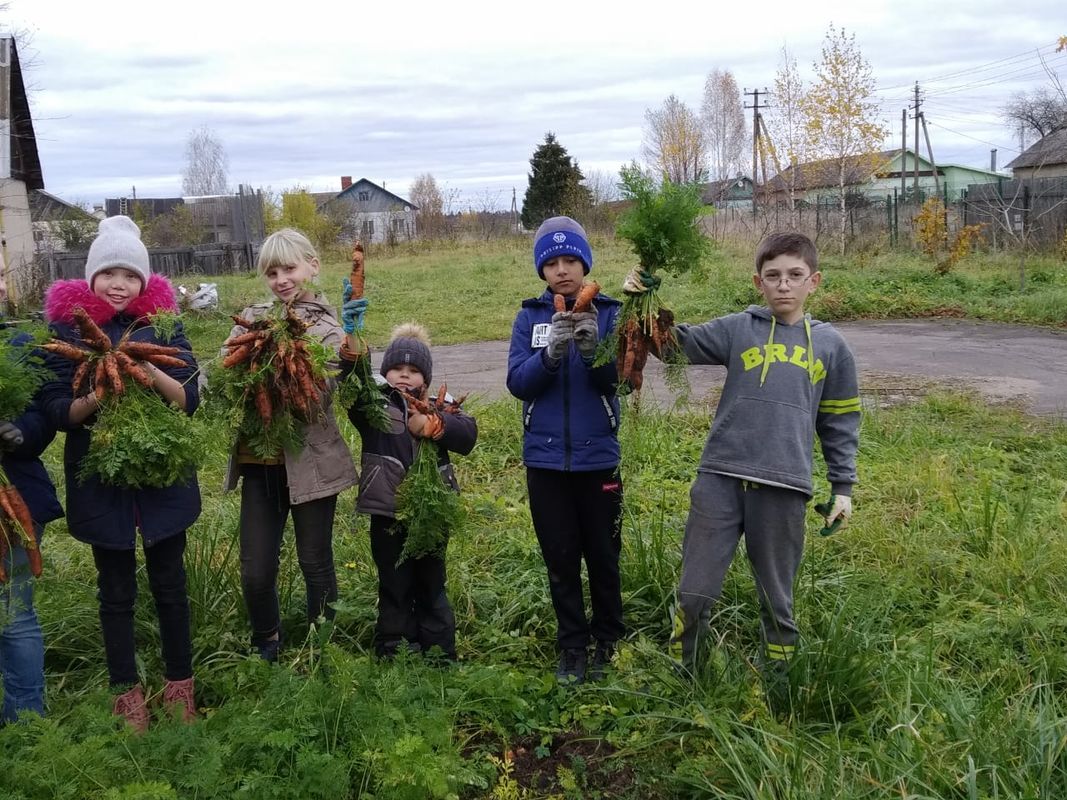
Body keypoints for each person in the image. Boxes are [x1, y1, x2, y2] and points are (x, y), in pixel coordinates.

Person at [638, 232, 859, 690]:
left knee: (778, 600)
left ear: (813, 281)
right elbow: (673, 347)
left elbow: (840, 420)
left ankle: (780, 685)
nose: (784, 285)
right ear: (758, 282)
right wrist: (644, 299)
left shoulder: (832, 347)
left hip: (784, 486)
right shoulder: (740, 328)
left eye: (795, 276)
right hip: (719, 478)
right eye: (773, 276)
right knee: (694, 591)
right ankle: (684, 676)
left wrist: (843, 488)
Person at [39, 215, 201, 732]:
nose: (118, 284)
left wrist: (148, 369)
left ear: (143, 281)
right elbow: (57, 413)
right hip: (100, 481)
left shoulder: (163, 327)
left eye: (129, 275)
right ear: (90, 278)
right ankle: (126, 695)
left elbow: (190, 398)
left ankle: (180, 688)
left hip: (163, 478)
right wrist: (100, 392)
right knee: (116, 594)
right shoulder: (66, 332)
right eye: (108, 272)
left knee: (171, 588)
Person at [223, 228, 358, 663]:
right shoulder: (252, 316)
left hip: (311, 461)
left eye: (290, 268)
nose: (282, 279)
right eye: (272, 272)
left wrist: (293, 363)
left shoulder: (327, 323)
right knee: (256, 569)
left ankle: (323, 645)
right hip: (259, 459)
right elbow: (225, 374)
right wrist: (245, 363)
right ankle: (267, 641)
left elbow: (332, 381)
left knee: (314, 560)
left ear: (312, 266)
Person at [506, 216, 624, 684]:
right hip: (546, 461)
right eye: (551, 262)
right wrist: (549, 356)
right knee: (560, 556)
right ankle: (572, 646)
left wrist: (596, 352)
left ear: (585, 264)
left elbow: (620, 382)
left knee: (603, 554)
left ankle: (610, 640)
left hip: (599, 459)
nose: (562, 270)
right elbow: (518, 383)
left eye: (570, 259)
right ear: (542, 271)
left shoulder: (610, 313)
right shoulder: (529, 318)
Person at [340, 320, 477, 661]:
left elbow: (467, 434)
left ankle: (438, 650)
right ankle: (395, 649)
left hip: (431, 516)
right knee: (394, 583)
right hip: (387, 512)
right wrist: (354, 343)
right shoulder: (374, 409)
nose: (404, 375)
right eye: (396, 368)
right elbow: (352, 384)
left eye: (413, 370)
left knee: (432, 583)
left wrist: (432, 425)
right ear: (385, 373)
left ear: (426, 379)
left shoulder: (439, 407)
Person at [0, 257, 62, 723]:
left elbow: (46, 415)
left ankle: (25, 720)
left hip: (13, 499)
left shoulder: (18, 345)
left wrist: (20, 431)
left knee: (15, 615)